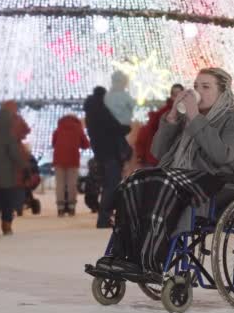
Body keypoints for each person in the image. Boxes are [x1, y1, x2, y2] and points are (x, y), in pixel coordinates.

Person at [151, 67, 234, 230]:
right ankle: (125, 251)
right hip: (179, 178)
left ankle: (154, 251)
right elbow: (158, 153)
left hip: (214, 183)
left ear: (222, 92)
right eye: (196, 87)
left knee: (170, 194)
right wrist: (173, 116)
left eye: (206, 87)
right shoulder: (186, 118)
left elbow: (222, 155)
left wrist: (195, 118)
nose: (198, 91)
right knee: (137, 185)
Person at [84, 86, 131, 228]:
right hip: (110, 154)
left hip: (101, 153)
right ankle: (104, 218)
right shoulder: (102, 111)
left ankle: (105, 216)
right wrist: (126, 128)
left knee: (108, 186)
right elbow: (116, 127)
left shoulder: (91, 112)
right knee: (111, 186)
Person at [0, 103, 28, 236]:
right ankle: (6, 225)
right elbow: (15, 155)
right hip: (7, 176)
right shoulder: (9, 137)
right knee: (7, 201)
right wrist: (24, 166)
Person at [136, 84, 183, 167]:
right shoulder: (162, 114)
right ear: (171, 96)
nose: (178, 99)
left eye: (180, 95)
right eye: (176, 95)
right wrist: (141, 154)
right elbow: (147, 133)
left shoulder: (187, 114)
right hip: (159, 159)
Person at [52, 114, 90, 216]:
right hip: (73, 159)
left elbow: (53, 143)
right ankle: (71, 207)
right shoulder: (78, 129)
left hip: (58, 159)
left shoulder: (58, 129)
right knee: (71, 184)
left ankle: (60, 208)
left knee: (60, 183)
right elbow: (86, 144)